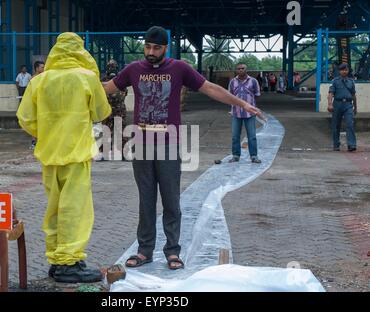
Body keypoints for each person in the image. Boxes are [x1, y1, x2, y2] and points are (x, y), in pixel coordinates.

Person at [103, 26, 264, 270]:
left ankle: (172, 251)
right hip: (141, 144)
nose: (151, 52)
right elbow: (105, 88)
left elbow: (210, 88)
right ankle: (144, 250)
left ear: (166, 48)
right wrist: (73, 78)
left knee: (170, 199)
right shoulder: (133, 69)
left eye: (156, 48)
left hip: (169, 143)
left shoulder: (179, 68)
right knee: (145, 200)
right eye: (147, 47)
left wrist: (242, 103)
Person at [17, 32, 112, 283]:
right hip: (76, 153)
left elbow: (25, 118)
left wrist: (48, 132)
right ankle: (69, 262)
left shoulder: (39, 81)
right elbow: (101, 111)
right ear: (79, 50)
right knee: (75, 209)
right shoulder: (87, 78)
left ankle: (57, 259)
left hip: (49, 155)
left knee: (54, 209)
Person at [225, 63, 262, 164]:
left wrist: (251, 104)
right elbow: (230, 96)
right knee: (235, 136)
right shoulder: (232, 82)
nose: (241, 70)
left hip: (250, 114)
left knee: (252, 136)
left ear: (246, 69)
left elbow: (257, 95)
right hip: (236, 113)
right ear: (236, 70)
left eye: (243, 68)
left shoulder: (253, 81)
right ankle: (236, 156)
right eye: (238, 69)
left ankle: (254, 156)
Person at [98, 59, 128, 161]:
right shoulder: (106, 80)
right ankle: (104, 152)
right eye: (110, 67)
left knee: (119, 131)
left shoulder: (118, 79)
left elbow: (124, 92)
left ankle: (122, 153)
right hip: (110, 110)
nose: (111, 69)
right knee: (108, 131)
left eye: (113, 66)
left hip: (115, 110)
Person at [327, 63, 357, 152]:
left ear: (348, 71)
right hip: (337, 104)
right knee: (336, 125)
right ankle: (336, 145)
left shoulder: (351, 82)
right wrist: (329, 104)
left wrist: (355, 107)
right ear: (339, 71)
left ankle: (351, 145)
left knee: (350, 124)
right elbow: (331, 93)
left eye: (346, 70)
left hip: (348, 105)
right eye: (342, 70)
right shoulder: (335, 81)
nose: (344, 71)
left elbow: (354, 95)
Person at [30, 61, 46, 150]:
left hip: (43, 104)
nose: (43, 69)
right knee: (35, 122)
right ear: (37, 68)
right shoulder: (33, 79)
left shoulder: (44, 77)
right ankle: (34, 141)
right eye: (42, 67)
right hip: (35, 103)